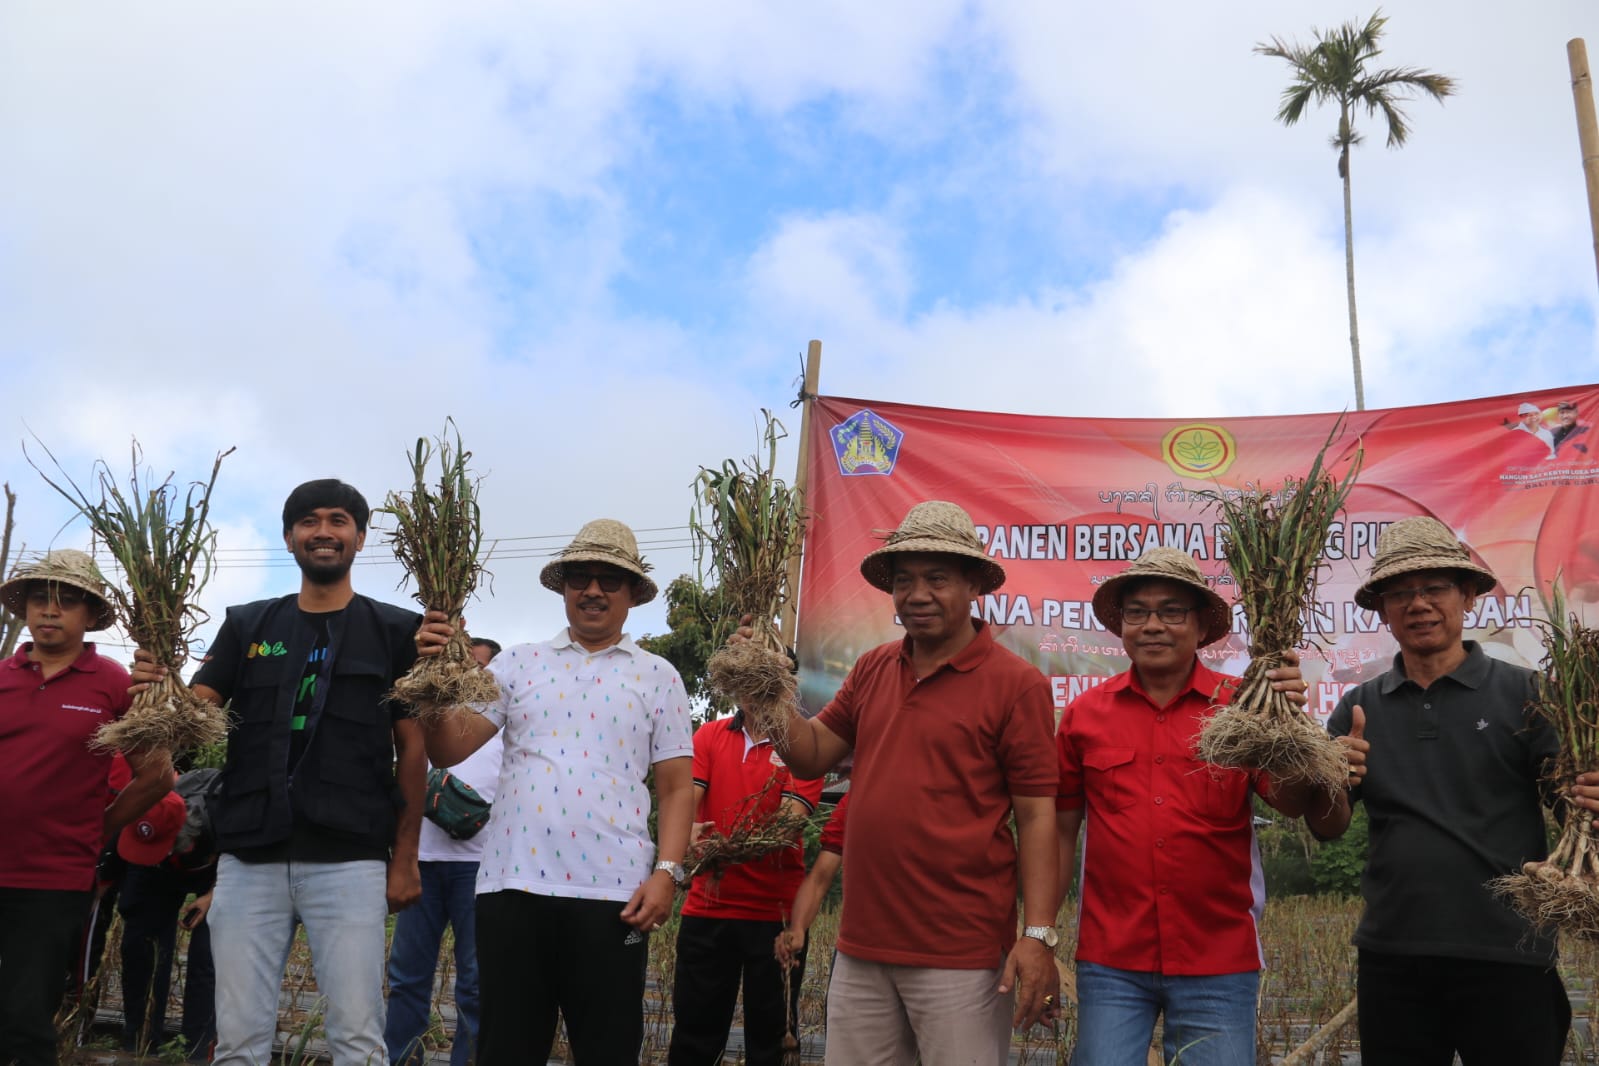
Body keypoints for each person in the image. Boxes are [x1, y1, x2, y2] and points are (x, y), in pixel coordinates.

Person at [134, 478, 427, 1066]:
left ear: (360, 537)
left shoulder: (398, 630)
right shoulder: (247, 625)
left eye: (339, 520)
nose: (324, 531)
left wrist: (406, 857)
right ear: (290, 537)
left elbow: (413, 752)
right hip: (249, 858)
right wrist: (155, 686)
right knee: (238, 1039)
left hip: (350, 857)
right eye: (310, 521)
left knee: (356, 1037)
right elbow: (195, 715)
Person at [763, 500, 1060, 1066]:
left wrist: (1038, 935)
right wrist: (762, 689)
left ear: (975, 585)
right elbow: (810, 756)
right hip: (863, 944)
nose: (916, 595)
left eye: (936, 579)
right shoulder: (874, 667)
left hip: (962, 951)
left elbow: (1038, 816)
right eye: (904, 581)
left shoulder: (1015, 684)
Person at [417, 519, 694, 1066]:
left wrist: (666, 873)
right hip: (512, 888)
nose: (592, 590)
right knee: (505, 1050)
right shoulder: (518, 662)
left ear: (633, 593)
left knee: (608, 1050)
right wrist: (431, 680)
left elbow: (677, 787)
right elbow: (450, 749)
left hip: (615, 897)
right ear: (564, 588)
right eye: (580, 578)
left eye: (609, 580)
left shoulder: (658, 676)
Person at [1054, 547, 1336, 1066]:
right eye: (1137, 612)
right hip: (1113, 959)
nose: (1152, 625)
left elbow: (1293, 804)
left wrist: (1290, 729)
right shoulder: (1084, 716)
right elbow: (1057, 831)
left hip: (1218, 961)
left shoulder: (1243, 707)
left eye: (1171, 611)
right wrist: (1039, 933)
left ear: (1201, 624)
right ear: (1121, 625)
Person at [1322, 516, 1570, 1064]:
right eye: (1401, 593)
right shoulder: (1359, 705)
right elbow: (1328, 824)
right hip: (1394, 956)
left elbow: (1571, 810)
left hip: (1511, 952)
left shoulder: (1527, 695)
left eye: (1435, 588)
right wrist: (1331, 778)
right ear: (1383, 612)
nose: (1419, 604)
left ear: (1467, 597)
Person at [0, 550, 173, 1066]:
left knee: (26, 1017)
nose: (50, 611)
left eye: (67, 601)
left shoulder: (112, 681)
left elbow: (157, 774)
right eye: (39, 599)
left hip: (53, 877)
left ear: (91, 616)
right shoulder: (2, 677)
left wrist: (100, 829)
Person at [667, 707, 824, 1066]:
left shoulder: (801, 746)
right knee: (694, 1036)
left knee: (770, 1040)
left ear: (784, 682)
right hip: (708, 909)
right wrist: (684, 828)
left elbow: (787, 823)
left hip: (777, 919)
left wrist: (724, 846)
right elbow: (687, 800)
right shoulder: (709, 735)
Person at [383, 637, 505, 1066]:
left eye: (477, 666)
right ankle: (402, 1060)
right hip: (422, 862)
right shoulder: (421, 711)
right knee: (406, 978)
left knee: (476, 982)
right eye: (460, 661)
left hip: (482, 866)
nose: (465, 672)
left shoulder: (499, 724)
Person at [113, 761, 220, 1060]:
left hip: (219, 870)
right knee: (142, 946)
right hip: (156, 871)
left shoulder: (223, 814)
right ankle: (141, 1036)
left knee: (206, 955)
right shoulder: (148, 809)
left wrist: (213, 895)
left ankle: (197, 1047)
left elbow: (247, 862)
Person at [775, 790, 848, 972]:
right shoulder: (855, 802)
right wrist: (798, 927)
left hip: (925, 953)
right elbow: (819, 879)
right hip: (858, 950)